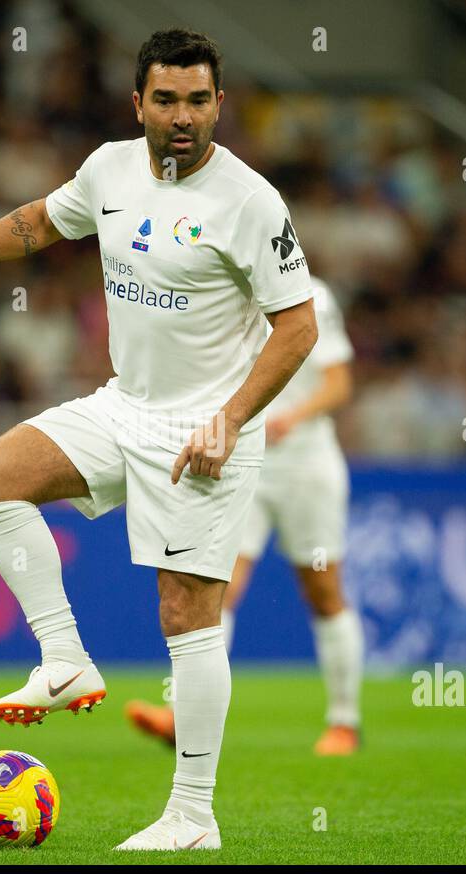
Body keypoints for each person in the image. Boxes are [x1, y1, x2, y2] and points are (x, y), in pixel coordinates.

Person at [0, 28, 316, 851]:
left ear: (219, 104)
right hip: (126, 408)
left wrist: (231, 418)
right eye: (166, 99)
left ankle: (192, 813)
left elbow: (298, 329)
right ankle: (64, 657)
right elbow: (39, 224)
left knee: (186, 615)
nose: (182, 116)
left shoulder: (252, 201)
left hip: (207, 431)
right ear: (138, 103)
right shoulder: (108, 169)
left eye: (198, 100)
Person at [126, 277, 365, 756]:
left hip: (306, 465)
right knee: (220, 586)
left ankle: (344, 722)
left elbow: (340, 383)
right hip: (241, 460)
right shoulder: (217, 287)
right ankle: (183, 717)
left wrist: (294, 417)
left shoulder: (312, 293)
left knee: (323, 591)